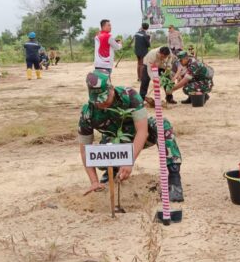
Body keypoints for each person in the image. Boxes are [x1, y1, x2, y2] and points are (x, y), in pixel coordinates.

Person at [78, 70, 184, 202]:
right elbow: (85, 150)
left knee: (162, 124)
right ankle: (111, 172)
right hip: (114, 142)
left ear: (111, 89)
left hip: (139, 136)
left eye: (104, 98)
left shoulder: (129, 95)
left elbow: (142, 131)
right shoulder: (88, 112)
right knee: (103, 151)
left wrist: (129, 161)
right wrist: (93, 181)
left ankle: (174, 179)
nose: (101, 103)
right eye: (97, 101)